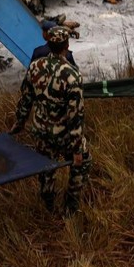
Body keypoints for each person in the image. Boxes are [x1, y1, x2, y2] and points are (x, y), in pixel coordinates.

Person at [11, 26, 91, 215]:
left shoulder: (35, 66)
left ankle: (49, 203)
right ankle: (71, 206)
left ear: (48, 43)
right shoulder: (72, 75)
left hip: (40, 132)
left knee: (46, 168)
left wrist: (19, 122)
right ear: (67, 45)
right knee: (83, 163)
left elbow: (26, 99)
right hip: (63, 135)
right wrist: (77, 149)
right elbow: (75, 115)